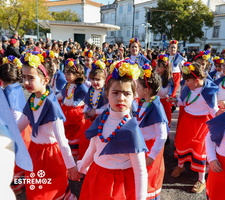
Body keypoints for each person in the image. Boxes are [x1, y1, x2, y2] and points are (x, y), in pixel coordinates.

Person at [77, 60, 148, 200]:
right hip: (96, 175)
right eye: (115, 93)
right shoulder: (101, 119)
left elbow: (140, 171)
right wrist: (81, 167)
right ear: (107, 94)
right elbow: (93, 147)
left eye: (126, 94)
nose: (120, 98)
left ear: (134, 96)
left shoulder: (131, 129)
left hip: (119, 182)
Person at [17, 53, 79, 199]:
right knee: (37, 188)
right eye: (24, 77)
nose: (26, 82)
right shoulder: (33, 99)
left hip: (51, 155)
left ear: (45, 79)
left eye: (31, 78)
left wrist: (71, 166)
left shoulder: (51, 104)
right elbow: (21, 123)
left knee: (50, 190)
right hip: (34, 151)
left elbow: (62, 140)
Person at [169, 62, 219, 193]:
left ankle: (201, 179)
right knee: (181, 143)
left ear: (197, 80)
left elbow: (213, 110)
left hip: (202, 124)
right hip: (187, 121)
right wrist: (175, 101)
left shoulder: (208, 92)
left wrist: (220, 121)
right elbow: (185, 102)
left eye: (188, 80)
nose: (185, 83)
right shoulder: (189, 89)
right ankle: (181, 166)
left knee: (199, 149)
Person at [136, 63, 168, 199]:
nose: (135, 89)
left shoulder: (156, 107)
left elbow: (162, 136)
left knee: (149, 177)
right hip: (142, 146)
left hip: (150, 148)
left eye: (137, 87)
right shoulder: (143, 101)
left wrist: (151, 156)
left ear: (146, 90)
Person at [0, 57, 32, 194]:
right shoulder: (17, 87)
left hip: (17, 130)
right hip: (24, 129)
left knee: (14, 160)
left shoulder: (8, 92)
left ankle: (16, 188)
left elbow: (14, 114)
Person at [58, 58, 88, 159]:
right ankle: (67, 152)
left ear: (77, 75)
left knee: (75, 133)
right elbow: (62, 95)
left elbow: (87, 96)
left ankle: (75, 155)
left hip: (75, 113)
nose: (66, 76)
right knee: (66, 131)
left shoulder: (81, 87)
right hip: (66, 110)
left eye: (68, 74)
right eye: (65, 73)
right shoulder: (67, 85)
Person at [156, 54, 173, 129]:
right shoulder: (155, 76)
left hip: (165, 101)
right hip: (157, 101)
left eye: (159, 66)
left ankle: (166, 136)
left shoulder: (168, 79)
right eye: (156, 66)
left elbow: (164, 92)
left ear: (165, 68)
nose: (157, 68)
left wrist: (157, 85)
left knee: (166, 118)